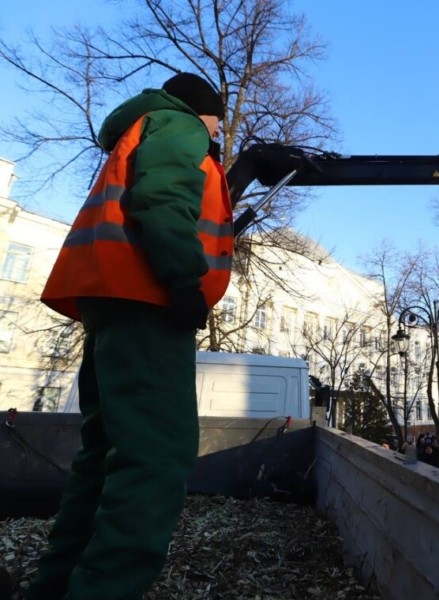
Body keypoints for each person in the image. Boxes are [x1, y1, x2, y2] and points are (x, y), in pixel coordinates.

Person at [28, 72, 232, 599]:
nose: (216, 135)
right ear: (202, 111)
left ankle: (56, 586)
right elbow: (163, 196)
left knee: (103, 454)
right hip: (148, 301)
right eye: (217, 123)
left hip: (112, 301)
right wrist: (185, 280)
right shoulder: (181, 126)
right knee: (155, 454)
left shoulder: (139, 129)